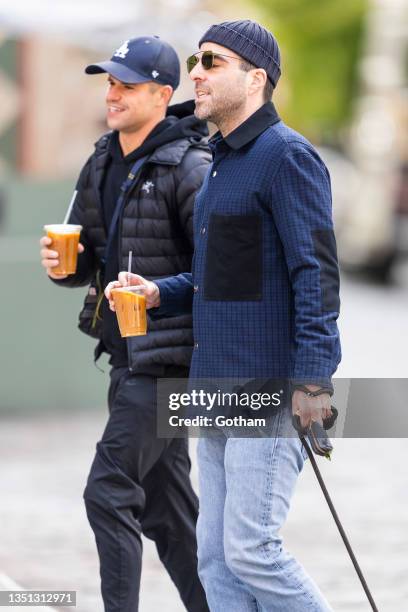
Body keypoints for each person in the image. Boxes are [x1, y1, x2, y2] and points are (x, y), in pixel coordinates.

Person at [106, 20, 341, 612]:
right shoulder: (220, 163)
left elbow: (316, 276)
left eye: (212, 61)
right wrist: (160, 292)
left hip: (268, 385)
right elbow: (225, 278)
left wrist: (313, 382)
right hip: (214, 383)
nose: (196, 73)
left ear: (255, 78)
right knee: (214, 560)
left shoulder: (287, 157)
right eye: (195, 60)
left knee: (252, 550)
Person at [40, 36, 211, 612]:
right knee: (167, 514)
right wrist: (69, 268)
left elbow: (218, 273)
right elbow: (93, 254)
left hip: (169, 366)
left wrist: (158, 295)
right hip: (126, 358)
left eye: (127, 84)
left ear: (163, 95)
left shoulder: (191, 167)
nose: (111, 93)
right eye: (109, 81)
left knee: (109, 492)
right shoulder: (102, 160)